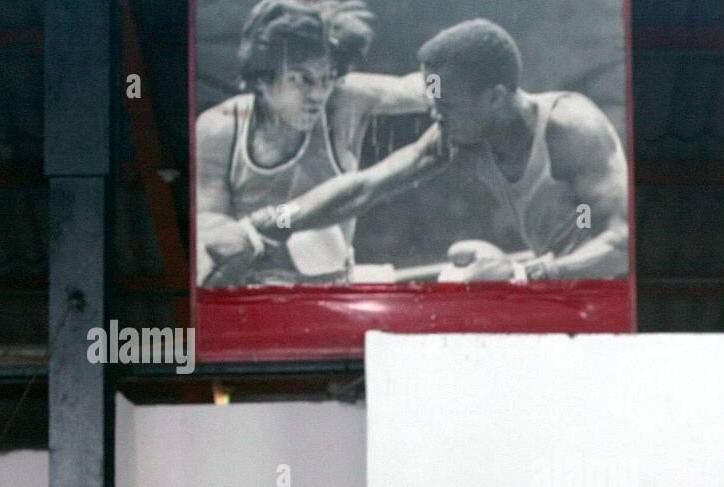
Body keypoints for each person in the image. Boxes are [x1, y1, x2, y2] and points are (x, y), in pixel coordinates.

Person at [244, 18, 631, 282]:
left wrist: (526, 273)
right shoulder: (465, 130)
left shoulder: (571, 127)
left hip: (611, 293)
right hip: (560, 281)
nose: (433, 114)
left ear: (494, 97)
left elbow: (620, 243)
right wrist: (268, 221)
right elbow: (365, 188)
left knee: (583, 221)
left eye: (444, 106)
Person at [196, 0, 431, 287]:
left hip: (331, 294)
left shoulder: (344, 102)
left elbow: (423, 88)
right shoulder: (219, 128)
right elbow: (210, 230)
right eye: (302, 80)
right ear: (261, 78)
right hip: (248, 296)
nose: (318, 95)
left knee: (319, 242)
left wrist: (449, 85)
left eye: (327, 78)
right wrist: (268, 235)